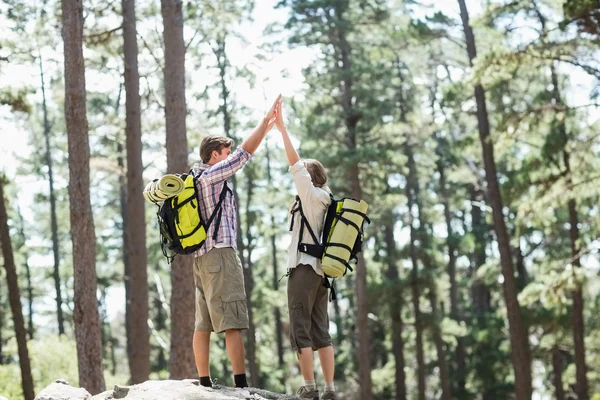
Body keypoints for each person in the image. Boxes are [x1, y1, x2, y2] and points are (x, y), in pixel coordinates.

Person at [191, 95, 281, 389]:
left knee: (203, 323)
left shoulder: (195, 177)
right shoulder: (213, 175)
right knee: (233, 320)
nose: (229, 156)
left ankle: (204, 381)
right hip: (221, 255)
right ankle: (241, 386)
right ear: (215, 155)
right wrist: (266, 122)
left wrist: (268, 129)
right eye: (225, 152)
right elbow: (245, 154)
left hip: (201, 260)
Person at [275, 101, 338, 400]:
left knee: (300, 328)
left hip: (303, 269)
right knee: (321, 329)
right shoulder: (327, 198)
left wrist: (282, 128)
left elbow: (295, 165)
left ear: (309, 177)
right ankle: (329, 388)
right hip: (323, 273)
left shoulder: (310, 195)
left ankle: (310, 388)